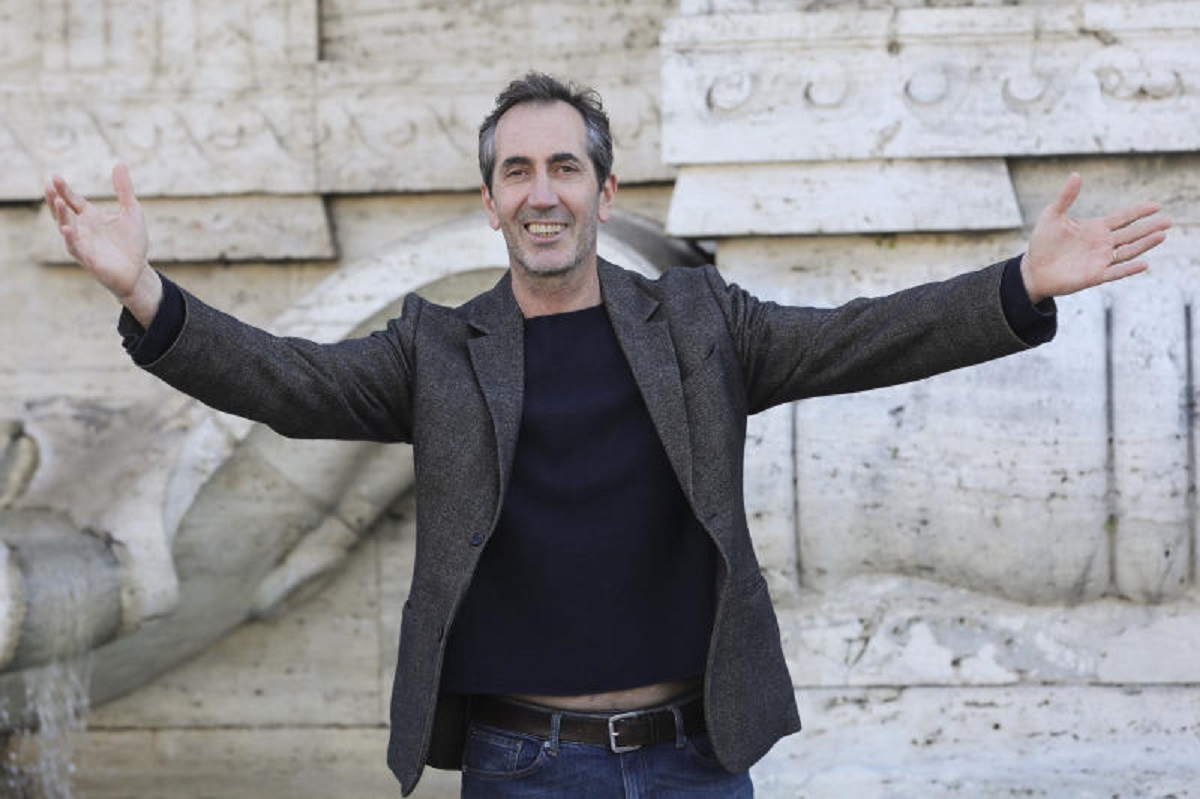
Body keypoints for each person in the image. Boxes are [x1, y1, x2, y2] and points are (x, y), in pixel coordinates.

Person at [46, 72, 1169, 798]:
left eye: (564, 168)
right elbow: (289, 383)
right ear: (490, 201)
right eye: (517, 172)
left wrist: (1019, 283)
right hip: (521, 763)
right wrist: (144, 287)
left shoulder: (698, 322)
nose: (542, 193)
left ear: (603, 189)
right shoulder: (437, 349)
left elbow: (859, 339)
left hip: (695, 758)